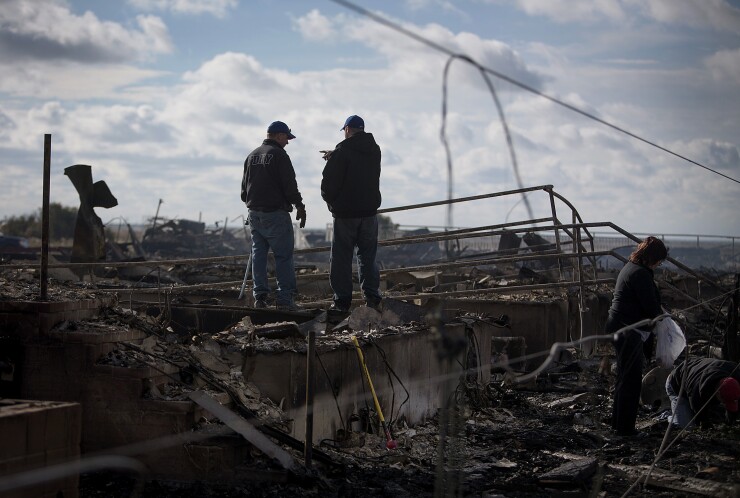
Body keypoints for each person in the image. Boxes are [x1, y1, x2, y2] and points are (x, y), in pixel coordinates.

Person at [605, 236, 668, 436]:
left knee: (624, 378)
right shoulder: (641, 274)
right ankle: (625, 430)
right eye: (658, 260)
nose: (658, 264)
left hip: (620, 327)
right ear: (652, 257)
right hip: (627, 330)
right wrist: (663, 316)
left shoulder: (630, 267)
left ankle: (618, 425)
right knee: (631, 380)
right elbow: (650, 306)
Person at [241, 120, 307, 311]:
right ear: (279, 135)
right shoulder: (279, 155)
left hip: (254, 213)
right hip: (276, 214)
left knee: (258, 255)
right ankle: (285, 300)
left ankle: (260, 298)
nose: (288, 142)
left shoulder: (251, 156)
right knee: (283, 256)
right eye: (287, 137)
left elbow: (244, 192)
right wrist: (299, 205)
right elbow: (290, 185)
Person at [320, 115, 382, 313]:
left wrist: (333, 205)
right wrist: (336, 154)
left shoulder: (342, 151)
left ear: (347, 129)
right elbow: (358, 162)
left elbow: (328, 185)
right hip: (369, 213)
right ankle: (372, 298)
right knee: (367, 258)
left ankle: (342, 302)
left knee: (341, 259)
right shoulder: (374, 150)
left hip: (346, 215)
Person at [666, 357, 740, 429]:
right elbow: (700, 419)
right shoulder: (697, 393)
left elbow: (732, 399)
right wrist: (705, 423)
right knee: (686, 426)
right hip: (676, 384)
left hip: (695, 367)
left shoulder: (736, 372)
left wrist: (730, 420)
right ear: (717, 393)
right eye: (724, 401)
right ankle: (668, 416)